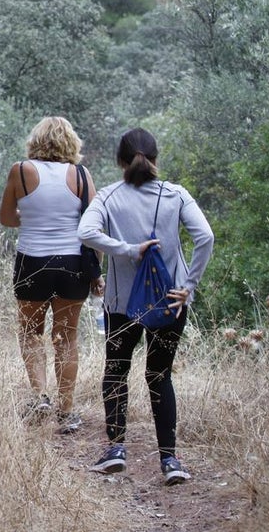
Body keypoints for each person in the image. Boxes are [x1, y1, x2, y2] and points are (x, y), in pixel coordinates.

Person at [78, 128, 213, 486]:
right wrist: (188, 286)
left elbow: (86, 233)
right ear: (156, 158)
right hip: (170, 301)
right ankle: (170, 460)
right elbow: (206, 237)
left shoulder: (108, 197)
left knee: (116, 370)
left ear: (121, 162)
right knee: (159, 375)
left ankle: (116, 450)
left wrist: (126, 249)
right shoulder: (176, 195)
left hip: (122, 304)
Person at [0, 116, 96, 434]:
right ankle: (66, 412)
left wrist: (30, 216)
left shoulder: (21, 171)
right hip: (72, 265)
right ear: (71, 142)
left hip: (32, 262)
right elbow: (92, 228)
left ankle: (40, 395)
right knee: (66, 338)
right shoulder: (82, 176)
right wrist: (96, 273)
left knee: (30, 332)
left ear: (36, 141)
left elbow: (7, 219)